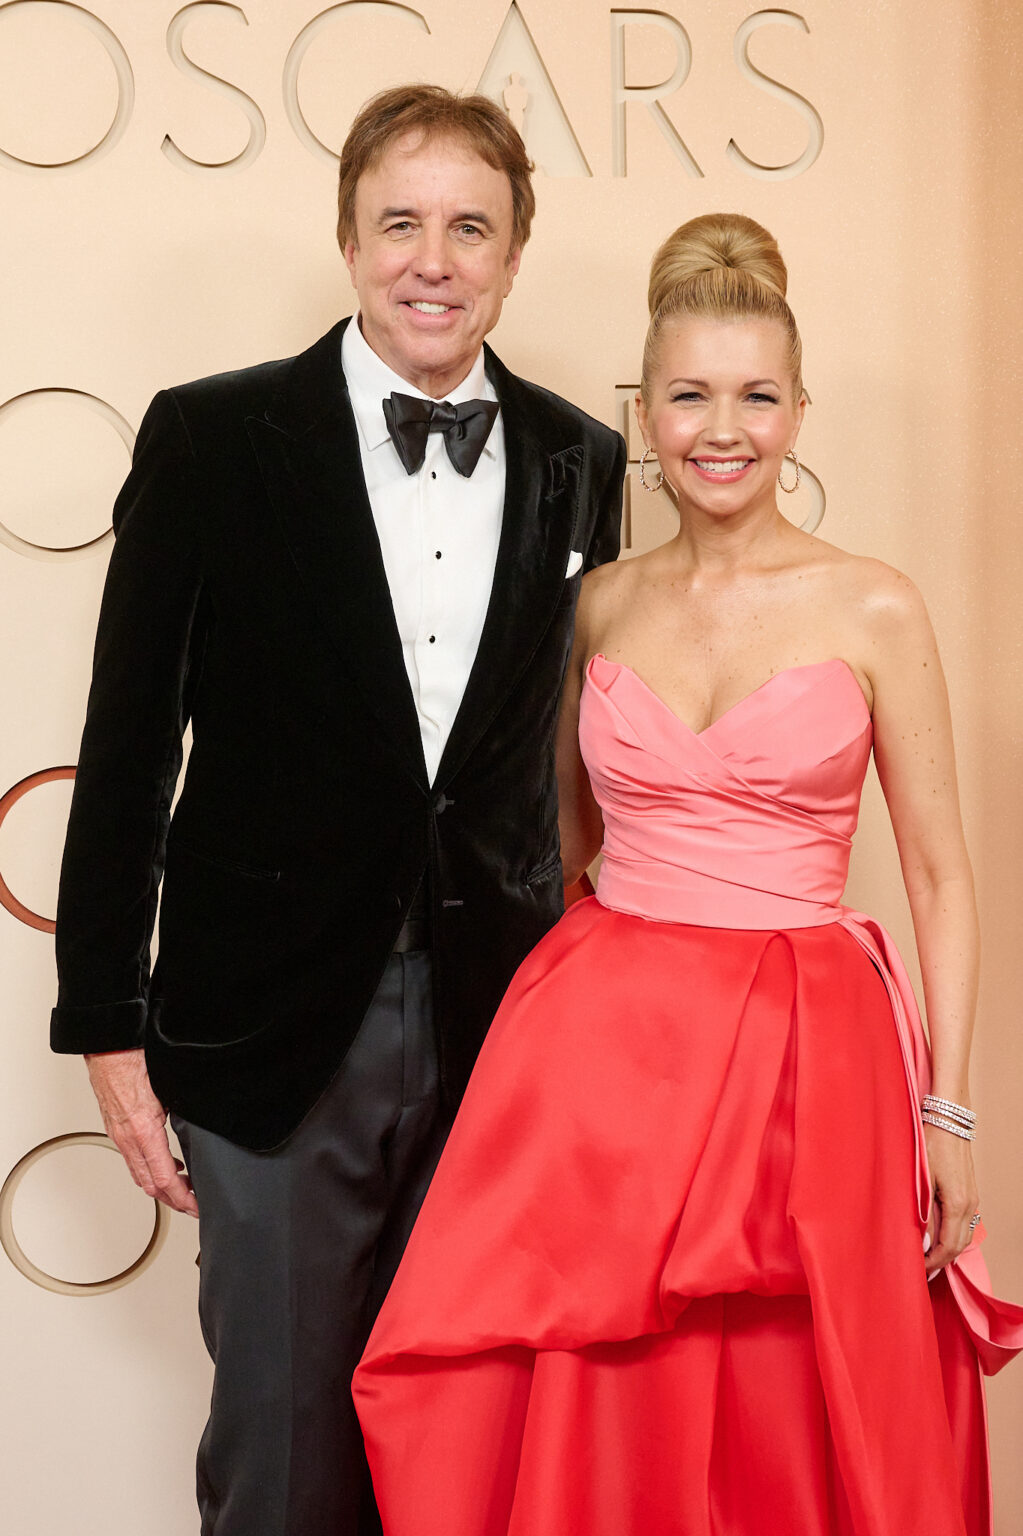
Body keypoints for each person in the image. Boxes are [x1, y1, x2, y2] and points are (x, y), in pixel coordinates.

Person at [352, 213, 1023, 1535]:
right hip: (608, 1051)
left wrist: (949, 1117)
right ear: (644, 412)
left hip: (809, 1055)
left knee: (795, 1391)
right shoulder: (599, 602)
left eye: (758, 396)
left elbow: (943, 879)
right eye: (692, 395)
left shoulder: (876, 603)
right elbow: (565, 834)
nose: (726, 429)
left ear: (800, 410)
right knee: (609, 1375)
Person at [48, 85, 625, 1536]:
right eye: (401, 223)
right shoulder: (214, 437)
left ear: (514, 254)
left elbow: (568, 761)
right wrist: (105, 1031)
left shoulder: (580, 460)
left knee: (471, 1439)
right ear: (351, 238)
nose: (434, 258)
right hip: (268, 1025)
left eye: (470, 227)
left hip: (504, 1029)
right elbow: (127, 753)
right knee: (287, 1455)